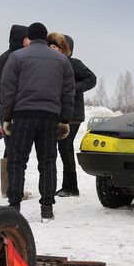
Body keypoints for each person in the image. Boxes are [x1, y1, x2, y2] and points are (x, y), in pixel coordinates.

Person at [0, 22, 75, 220]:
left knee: (17, 161)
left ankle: (14, 206)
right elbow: (68, 93)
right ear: (45, 38)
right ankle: (47, 208)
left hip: (23, 115)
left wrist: (7, 117)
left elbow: (7, 91)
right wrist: (65, 120)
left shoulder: (16, 57)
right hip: (50, 117)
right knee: (48, 162)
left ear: (29, 38)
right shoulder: (61, 60)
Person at [47, 33, 96, 197]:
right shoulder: (52, 64)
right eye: (51, 46)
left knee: (65, 147)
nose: (52, 50)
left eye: (56, 47)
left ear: (66, 49)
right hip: (58, 113)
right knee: (60, 148)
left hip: (73, 113)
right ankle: (66, 186)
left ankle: (71, 187)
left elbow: (91, 79)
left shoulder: (74, 64)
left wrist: (73, 88)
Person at [0, 24, 29, 197]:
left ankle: (11, 188)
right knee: (14, 150)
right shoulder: (6, 60)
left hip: (16, 110)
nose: (30, 41)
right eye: (27, 38)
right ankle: (12, 189)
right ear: (22, 38)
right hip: (10, 111)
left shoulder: (21, 57)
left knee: (13, 149)